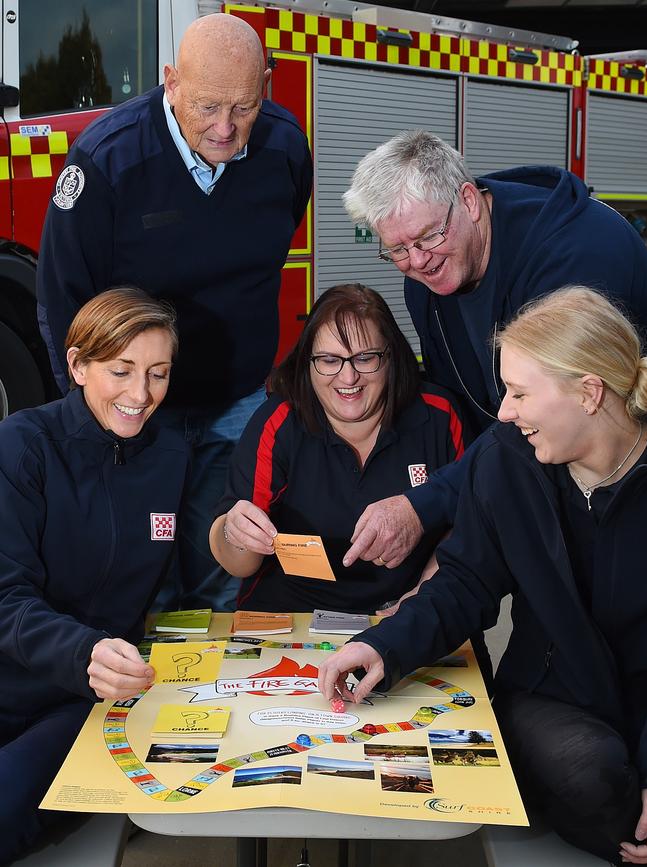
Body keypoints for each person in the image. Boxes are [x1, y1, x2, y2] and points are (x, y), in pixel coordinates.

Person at [319, 286, 647, 865]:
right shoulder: (506, 459)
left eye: (520, 393)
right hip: (554, 695)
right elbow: (466, 581)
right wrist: (382, 646)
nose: (504, 413)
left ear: (589, 393)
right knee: (592, 777)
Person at [36, 13, 312, 613]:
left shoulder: (285, 146)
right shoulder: (108, 161)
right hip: (137, 405)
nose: (225, 128)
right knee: (141, 571)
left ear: (264, 85)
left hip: (237, 401)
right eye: (209, 106)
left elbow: (273, 242)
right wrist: (93, 413)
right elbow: (62, 299)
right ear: (171, 81)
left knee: (224, 562)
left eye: (244, 106)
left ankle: (212, 700)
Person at [340, 130, 647, 572]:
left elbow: (546, 411)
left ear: (468, 201)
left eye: (427, 237)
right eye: (397, 249)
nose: (417, 261)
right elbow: (455, 407)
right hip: (538, 473)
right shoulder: (431, 278)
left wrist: (426, 507)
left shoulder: (576, 253)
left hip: (621, 484)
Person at [0, 288, 189, 863]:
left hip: (85, 703)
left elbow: (195, 568)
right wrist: (83, 649)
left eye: (158, 374)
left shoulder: (173, 451)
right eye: (121, 371)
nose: (141, 395)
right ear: (78, 365)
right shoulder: (23, 445)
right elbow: (4, 596)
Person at [209, 283, 465, 614]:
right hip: (292, 614)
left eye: (365, 358)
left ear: (391, 356)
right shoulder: (279, 420)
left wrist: (423, 596)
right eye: (329, 360)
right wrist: (233, 533)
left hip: (410, 608)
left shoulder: (439, 415)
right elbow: (238, 564)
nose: (348, 377)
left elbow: (469, 525)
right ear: (308, 362)